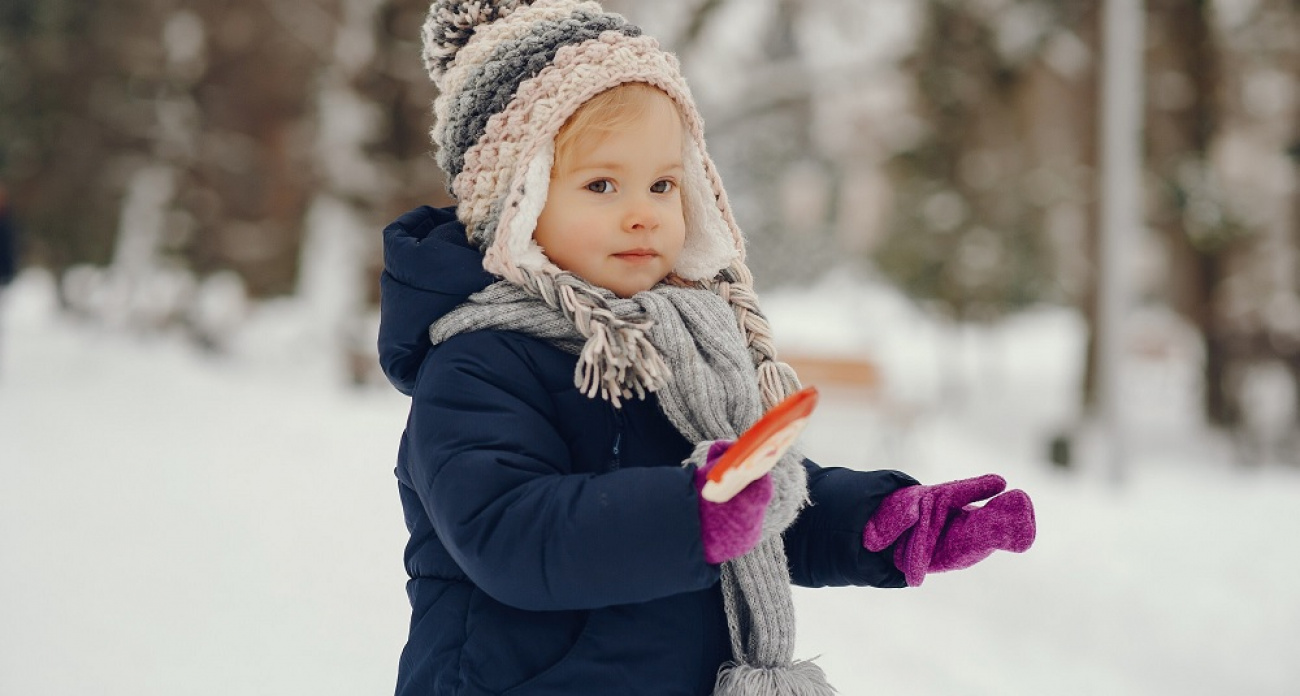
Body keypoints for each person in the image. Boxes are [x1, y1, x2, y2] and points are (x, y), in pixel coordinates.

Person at [378, 2, 1036, 695]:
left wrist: (879, 523)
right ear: (516, 201)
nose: (643, 212)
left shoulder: (682, 346)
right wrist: (693, 512)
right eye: (601, 185)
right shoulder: (478, 364)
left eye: (662, 184)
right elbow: (513, 536)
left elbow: (759, 507)